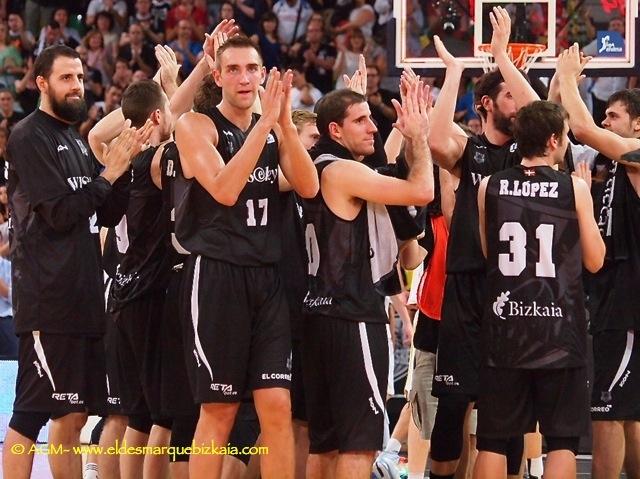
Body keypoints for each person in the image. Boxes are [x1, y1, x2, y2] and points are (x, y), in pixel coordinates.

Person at [174, 35, 319, 479]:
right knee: (220, 409)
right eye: (232, 69)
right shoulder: (196, 126)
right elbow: (224, 188)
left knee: (277, 404)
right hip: (217, 276)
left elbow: (308, 185)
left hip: (267, 278)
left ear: (263, 74)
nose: (243, 77)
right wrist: (263, 126)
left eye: (251, 69)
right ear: (216, 76)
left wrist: (286, 127)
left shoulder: (272, 127)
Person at [1, 44, 148, 479]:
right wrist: (108, 174)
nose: (77, 86)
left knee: (75, 416)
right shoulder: (29, 136)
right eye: (67, 78)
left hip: (84, 297)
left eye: (81, 77)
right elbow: (62, 213)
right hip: (49, 298)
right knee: (31, 415)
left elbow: (104, 213)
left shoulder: (75, 140)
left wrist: (124, 167)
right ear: (41, 82)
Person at [426, 8, 540, 478]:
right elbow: (434, 138)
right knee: (453, 405)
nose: (518, 99)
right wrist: (454, 72)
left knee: (508, 407)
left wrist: (502, 57)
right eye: (507, 92)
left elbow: (540, 111)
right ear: (487, 105)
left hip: (515, 288)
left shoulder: (531, 146)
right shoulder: (468, 150)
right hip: (468, 285)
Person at [301, 79, 434, 479]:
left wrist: (401, 138)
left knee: (323, 445)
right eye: (361, 120)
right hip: (352, 314)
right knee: (359, 445)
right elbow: (422, 189)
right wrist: (420, 138)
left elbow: (409, 248)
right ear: (334, 131)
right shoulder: (340, 170)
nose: (373, 127)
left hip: (317, 316)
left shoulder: (319, 167)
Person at [475, 100, 605, 478]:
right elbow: (595, 261)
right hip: (558, 331)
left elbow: (489, 253)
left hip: (506, 329)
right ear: (552, 139)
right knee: (561, 441)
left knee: (493, 441)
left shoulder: (489, 185)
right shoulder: (574, 187)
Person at [556, 45, 640, 479]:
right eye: (606, 116)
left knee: (605, 410)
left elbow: (584, 129)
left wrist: (569, 75)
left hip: (625, 303)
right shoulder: (604, 166)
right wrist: (557, 85)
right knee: (628, 413)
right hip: (610, 299)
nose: (607, 122)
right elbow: (562, 137)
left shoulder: (638, 155)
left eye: (615, 117)